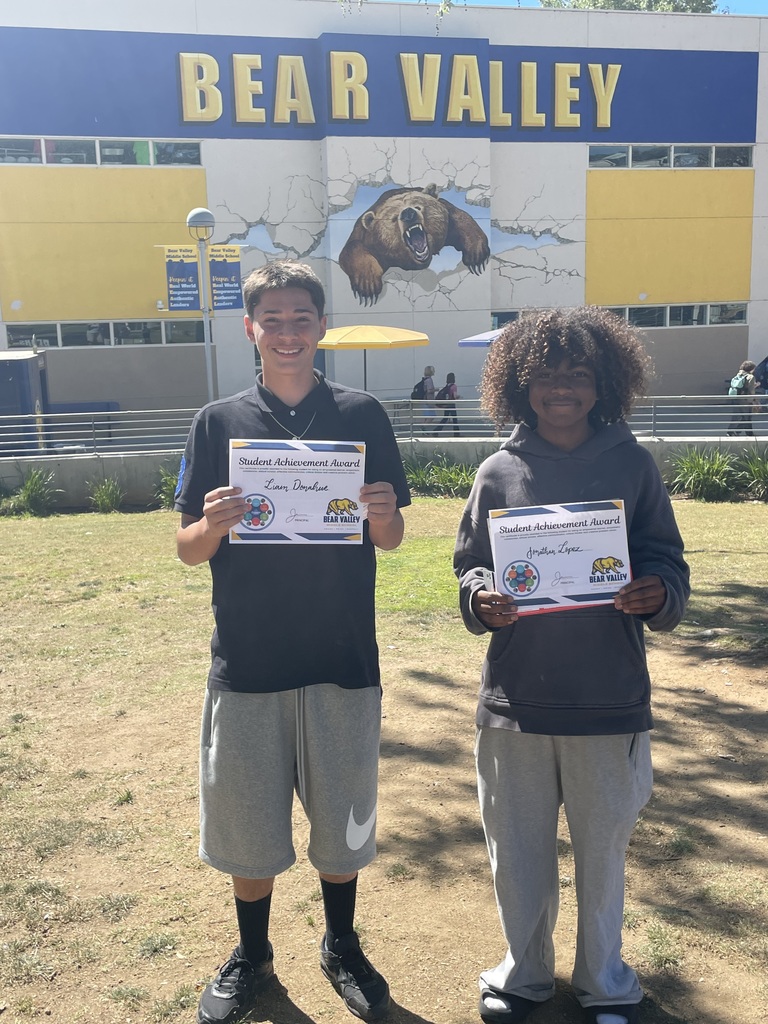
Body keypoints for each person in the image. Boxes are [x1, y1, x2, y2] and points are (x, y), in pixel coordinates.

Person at [174, 260, 410, 1024]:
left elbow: (394, 537)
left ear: (321, 327)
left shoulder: (364, 414)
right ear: (251, 329)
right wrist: (210, 524)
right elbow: (186, 549)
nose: (286, 332)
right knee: (249, 829)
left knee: (342, 825)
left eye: (300, 317)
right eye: (270, 319)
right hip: (249, 664)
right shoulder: (217, 422)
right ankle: (254, 954)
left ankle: (341, 944)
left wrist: (378, 512)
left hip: (342, 658)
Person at [453, 308, 690, 1024]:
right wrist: (481, 598)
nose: (562, 387)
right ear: (519, 384)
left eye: (579, 374)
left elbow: (666, 559)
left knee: (602, 857)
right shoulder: (497, 469)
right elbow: (470, 567)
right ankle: (523, 975)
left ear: (603, 383)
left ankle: (605, 983)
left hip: (608, 696)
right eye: (546, 374)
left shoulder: (632, 463)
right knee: (517, 853)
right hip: (516, 699)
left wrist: (658, 592)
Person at [727, 359, 758, 436]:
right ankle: (745, 433)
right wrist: (754, 400)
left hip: (736, 398)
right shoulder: (750, 377)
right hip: (745, 400)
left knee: (738, 416)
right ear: (751, 368)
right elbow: (751, 390)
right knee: (747, 417)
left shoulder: (738, 375)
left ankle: (735, 431)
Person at [434, 372, 460, 436]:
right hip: (451, 404)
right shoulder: (454, 386)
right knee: (455, 419)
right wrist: (459, 397)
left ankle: (436, 431)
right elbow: (455, 396)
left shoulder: (447, 386)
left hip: (447, 404)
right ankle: (456, 434)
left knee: (445, 418)